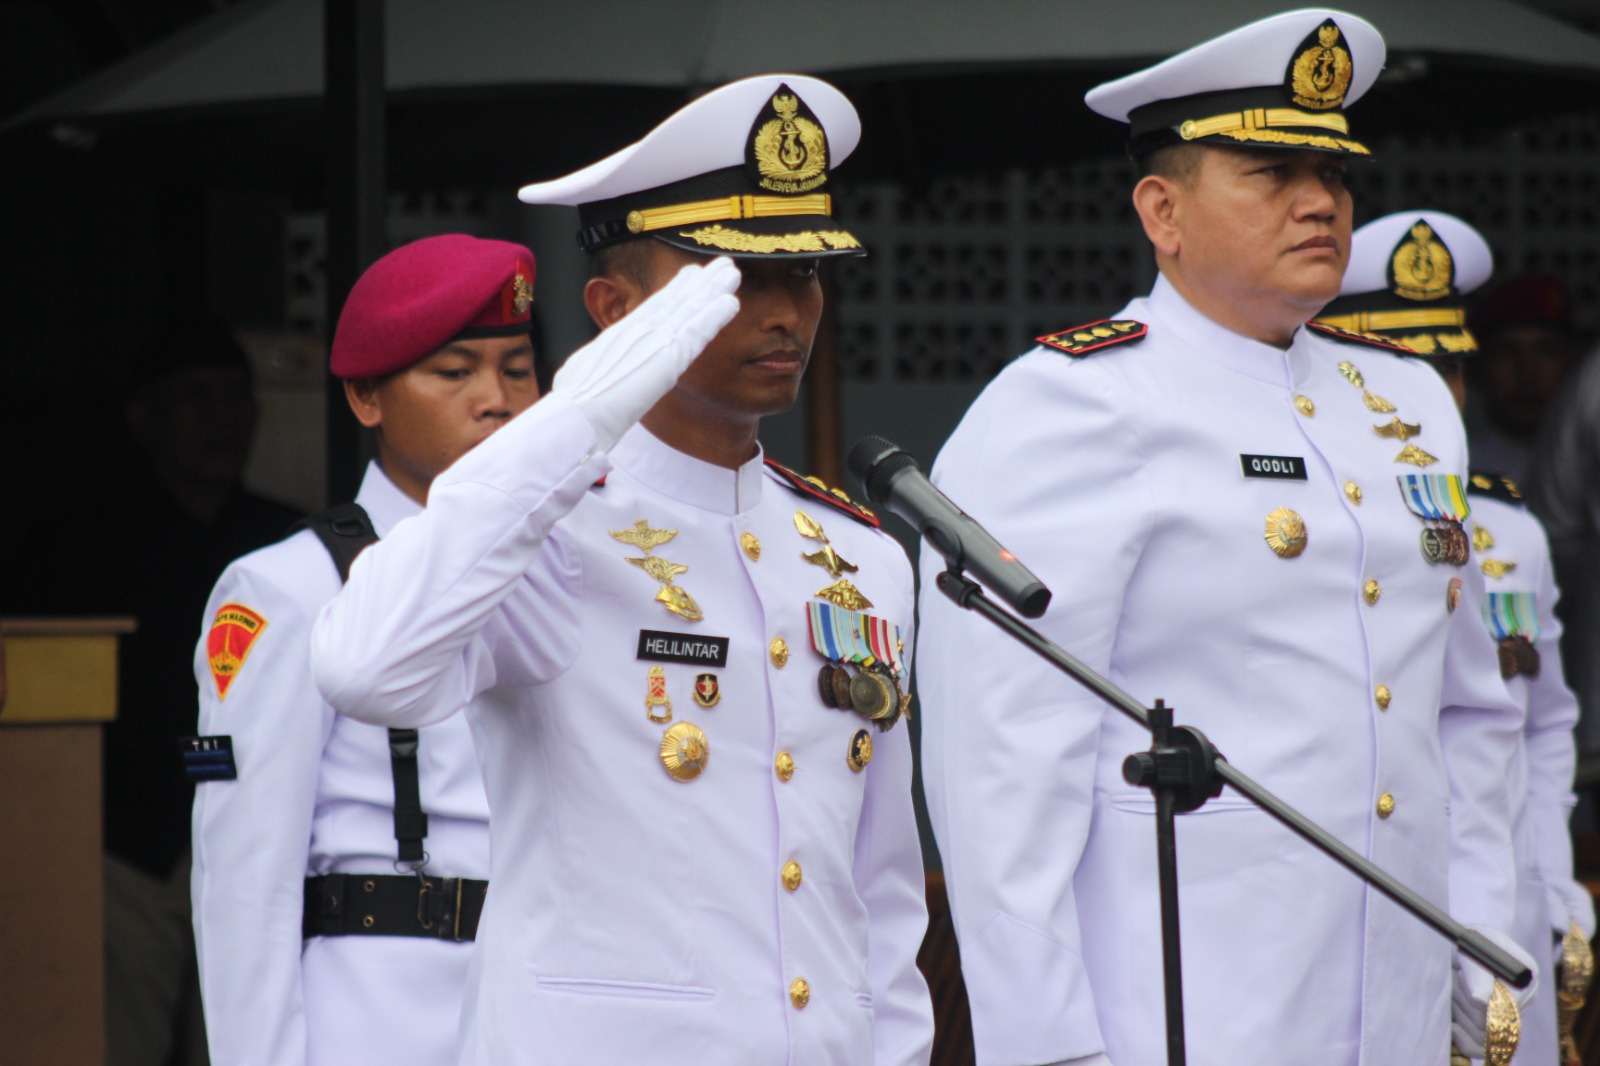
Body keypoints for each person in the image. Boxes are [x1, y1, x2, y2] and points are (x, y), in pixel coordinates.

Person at [916, 11, 1534, 1066]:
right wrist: (1050, 1046)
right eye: (1271, 172)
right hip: (1189, 1007)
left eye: (1332, 173)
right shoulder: (1072, 403)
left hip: (1395, 1006)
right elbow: (1002, 769)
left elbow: (1470, 711)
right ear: (1162, 210)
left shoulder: (1408, 401)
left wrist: (1482, 949)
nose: (1320, 201)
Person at [309, 74, 935, 1066]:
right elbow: (363, 666)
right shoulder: (542, 526)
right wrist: (572, 418)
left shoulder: (857, 556)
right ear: (616, 308)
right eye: (736, 276)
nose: (785, 309)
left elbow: (879, 889)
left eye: (807, 272)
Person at [189, 235, 540, 1065]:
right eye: (454, 372)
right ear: (365, 397)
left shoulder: (565, 567)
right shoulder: (289, 587)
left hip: (549, 1002)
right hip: (386, 1011)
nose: (496, 400)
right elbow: (245, 878)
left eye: (520, 370)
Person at [1319, 210, 1596, 1065]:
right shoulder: (1304, 531)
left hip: (1505, 921)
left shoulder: (1509, 532)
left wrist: (1553, 881)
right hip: (1363, 910)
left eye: (1449, 368)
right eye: (1402, 368)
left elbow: (1542, 722)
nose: (1435, 395)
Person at [1462, 274, 1578, 483]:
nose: (1527, 373)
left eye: (1547, 351)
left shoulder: (1588, 467)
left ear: (1571, 363)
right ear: (1477, 369)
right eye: (1506, 352)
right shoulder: (1457, 471)